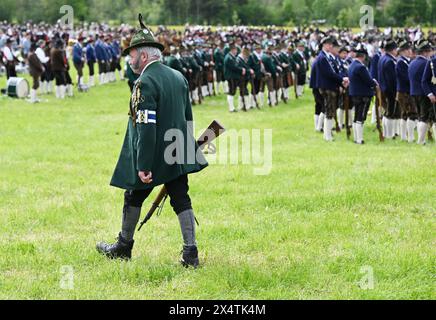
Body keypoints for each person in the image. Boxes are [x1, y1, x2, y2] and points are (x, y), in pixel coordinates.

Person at [96, 20, 208, 268]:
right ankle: (191, 253)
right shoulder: (178, 77)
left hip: (155, 155)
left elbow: (146, 127)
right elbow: (187, 117)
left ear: (144, 55)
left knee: (134, 196)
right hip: (176, 150)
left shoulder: (144, 83)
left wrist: (144, 163)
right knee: (181, 197)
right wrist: (187, 149)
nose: (130, 59)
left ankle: (123, 247)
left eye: (132, 54)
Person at [316, 36, 349, 142]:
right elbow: (329, 73)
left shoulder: (327, 57)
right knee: (329, 111)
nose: (331, 46)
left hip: (331, 85)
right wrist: (342, 80)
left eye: (331, 44)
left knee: (330, 110)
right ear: (324, 45)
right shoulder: (322, 57)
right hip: (327, 86)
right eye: (329, 44)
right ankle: (327, 135)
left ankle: (328, 133)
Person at [348, 44, 378, 144]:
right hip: (363, 94)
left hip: (355, 93)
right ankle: (359, 139)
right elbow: (368, 81)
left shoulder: (352, 65)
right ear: (364, 56)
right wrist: (374, 83)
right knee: (360, 117)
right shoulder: (361, 67)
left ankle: (357, 138)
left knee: (357, 116)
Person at [409, 39, 434, 145]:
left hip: (414, 92)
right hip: (424, 93)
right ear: (425, 52)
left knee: (420, 116)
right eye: (429, 51)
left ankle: (421, 139)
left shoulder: (412, 63)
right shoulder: (427, 63)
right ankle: (421, 140)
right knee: (424, 117)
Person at [378, 38, 398, 139]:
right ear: (393, 49)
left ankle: (386, 133)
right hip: (390, 90)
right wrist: (395, 92)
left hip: (383, 88)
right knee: (390, 112)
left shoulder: (382, 58)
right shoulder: (390, 61)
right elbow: (392, 79)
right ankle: (389, 134)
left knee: (387, 112)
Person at [395, 39, 414, 141]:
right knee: (405, 113)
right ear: (404, 51)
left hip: (406, 90)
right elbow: (406, 77)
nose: (410, 51)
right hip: (403, 91)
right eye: (408, 49)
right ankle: (405, 136)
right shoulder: (401, 62)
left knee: (409, 113)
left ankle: (408, 136)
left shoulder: (407, 61)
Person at [224, 43, 245, 112]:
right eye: (235, 50)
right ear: (232, 50)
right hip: (231, 76)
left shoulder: (232, 57)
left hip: (233, 76)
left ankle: (232, 107)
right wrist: (241, 69)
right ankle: (231, 108)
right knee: (231, 92)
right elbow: (234, 67)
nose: (236, 51)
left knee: (233, 91)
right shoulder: (229, 58)